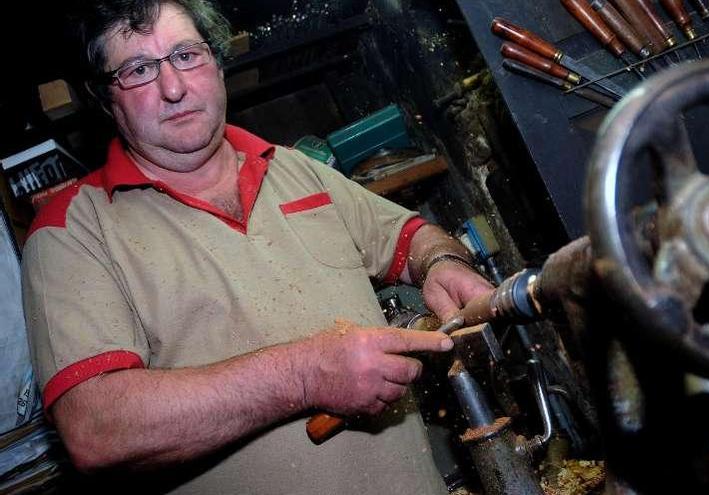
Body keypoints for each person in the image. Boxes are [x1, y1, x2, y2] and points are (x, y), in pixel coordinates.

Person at [20, 1, 494, 493]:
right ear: (105, 99)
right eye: (138, 70)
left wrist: (440, 261)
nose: (174, 88)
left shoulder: (290, 167)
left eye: (187, 55)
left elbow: (409, 235)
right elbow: (96, 429)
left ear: (218, 63)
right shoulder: (72, 231)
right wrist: (305, 376)